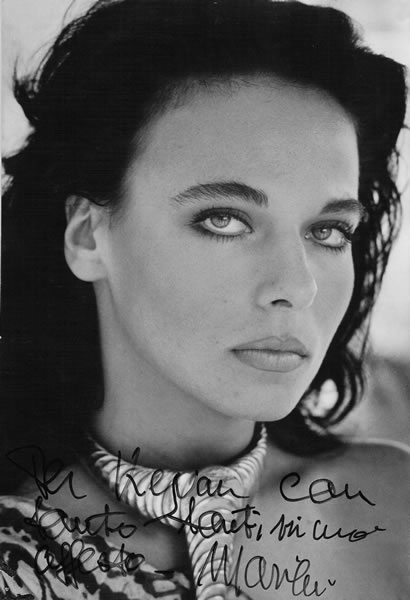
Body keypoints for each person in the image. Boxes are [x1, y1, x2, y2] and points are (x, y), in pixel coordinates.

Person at [0, 0, 408, 598]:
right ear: (88, 235)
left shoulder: (392, 511)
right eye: (224, 220)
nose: (297, 286)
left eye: (328, 231)